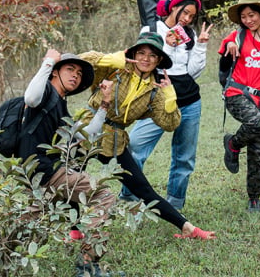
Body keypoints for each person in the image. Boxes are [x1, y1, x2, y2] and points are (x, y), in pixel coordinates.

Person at [79, 31, 216, 240]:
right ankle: (74, 230)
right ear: (133, 53)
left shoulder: (155, 90)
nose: (145, 59)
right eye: (141, 53)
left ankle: (188, 228)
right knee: (69, 176)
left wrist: (170, 96)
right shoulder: (116, 69)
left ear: (159, 60)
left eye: (152, 55)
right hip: (88, 127)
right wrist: (113, 58)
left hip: (114, 138)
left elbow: (170, 123)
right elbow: (81, 61)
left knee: (142, 187)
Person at [18, 48, 121, 277]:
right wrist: (48, 62)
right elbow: (30, 98)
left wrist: (104, 105)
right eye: (69, 69)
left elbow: (87, 136)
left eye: (79, 73)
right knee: (104, 196)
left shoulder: (59, 105)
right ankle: (86, 264)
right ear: (55, 72)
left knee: (24, 230)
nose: (76, 75)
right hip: (45, 173)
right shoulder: (44, 93)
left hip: (39, 177)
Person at [121, 0, 212, 210]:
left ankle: (175, 204)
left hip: (189, 101)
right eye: (185, 13)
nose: (187, 19)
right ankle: (129, 198)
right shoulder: (152, 30)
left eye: (192, 16)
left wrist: (200, 44)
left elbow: (192, 72)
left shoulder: (188, 35)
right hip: (157, 99)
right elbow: (145, 62)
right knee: (134, 147)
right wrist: (168, 45)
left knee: (184, 157)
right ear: (173, 7)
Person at [218, 0, 260, 212]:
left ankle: (254, 197)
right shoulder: (236, 37)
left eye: (251, 15)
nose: (247, 20)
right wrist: (229, 50)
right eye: (243, 16)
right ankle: (233, 144)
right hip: (237, 94)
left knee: (259, 150)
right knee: (257, 124)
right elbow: (223, 65)